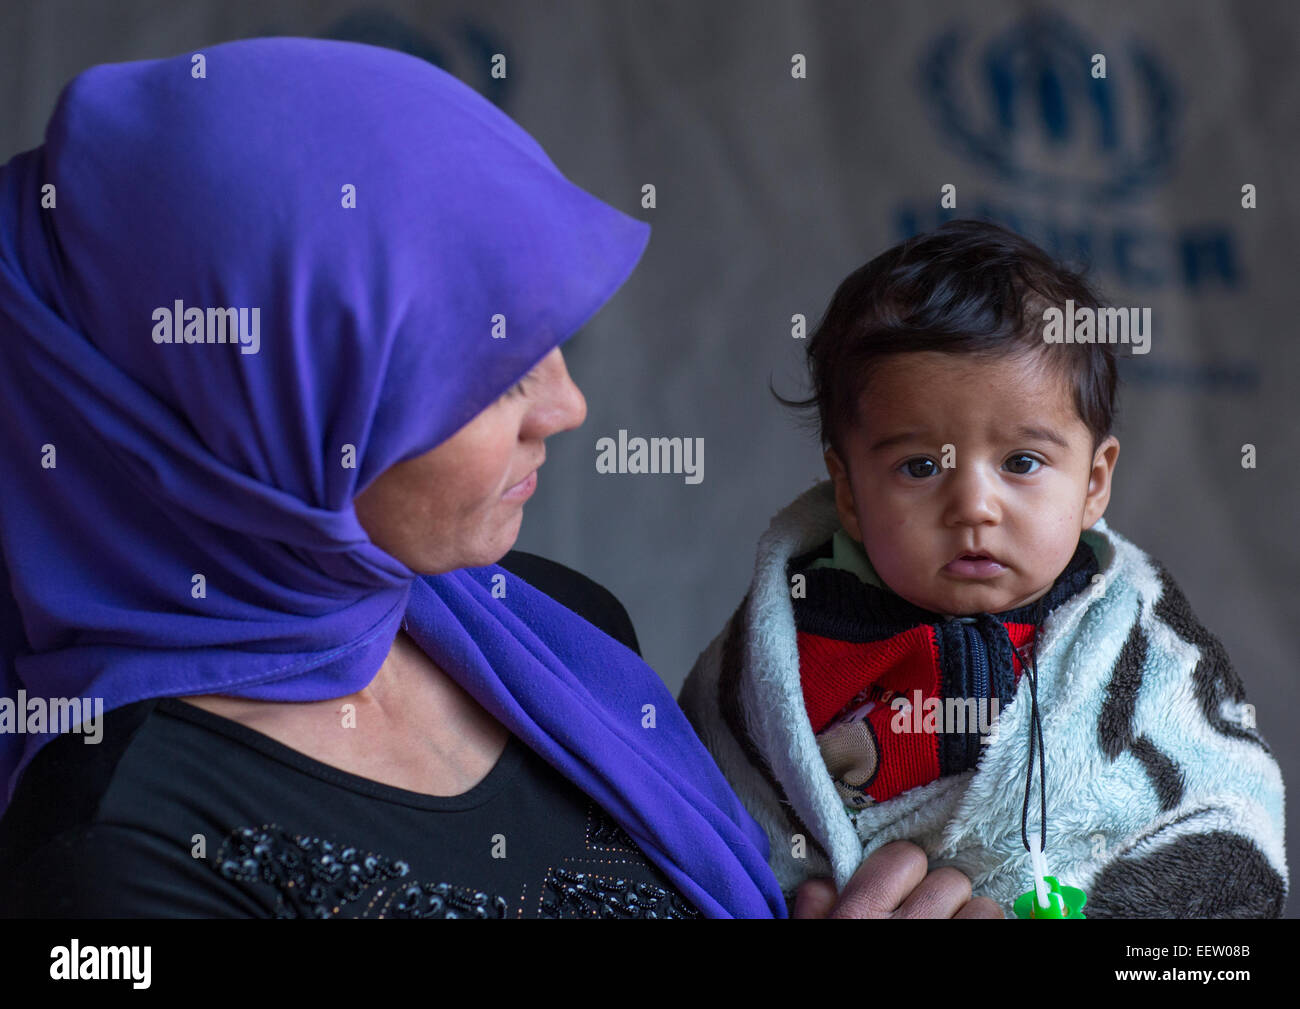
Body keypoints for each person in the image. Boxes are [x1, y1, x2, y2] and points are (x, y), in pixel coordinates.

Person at [0, 36, 997, 920]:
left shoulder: (558, 632)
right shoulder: (116, 852)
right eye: (486, 371)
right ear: (240, 412)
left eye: (549, 347)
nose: (565, 406)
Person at [679, 220, 1288, 918]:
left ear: (1094, 481)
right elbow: (694, 816)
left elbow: (1230, 807)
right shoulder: (782, 645)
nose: (972, 505)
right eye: (918, 466)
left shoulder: (1141, 644)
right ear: (848, 491)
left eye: (1022, 462)